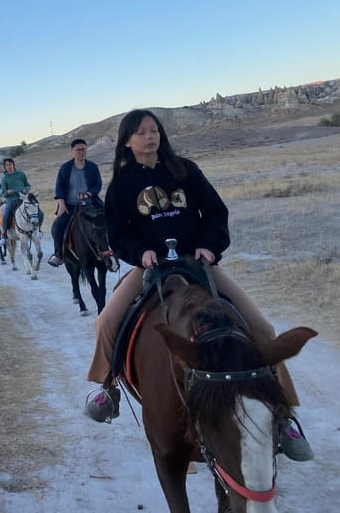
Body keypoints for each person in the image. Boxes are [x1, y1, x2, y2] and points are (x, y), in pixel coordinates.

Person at [83, 109, 313, 462]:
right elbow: (118, 234)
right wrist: (141, 252)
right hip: (152, 269)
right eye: (142, 132)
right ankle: (109, 387)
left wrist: (210, 245)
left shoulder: (185, 170)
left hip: (198, 263)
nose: (150, 136)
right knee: (106, 321)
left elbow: (216, 213)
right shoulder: (122, 185)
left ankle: (283, 416)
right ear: (127, 141)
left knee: (262, 328)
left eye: (154, 130)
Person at [47, 138, 103, 267]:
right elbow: (59, 187)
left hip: (90, 203)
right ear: (73, 152)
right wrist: (61, 204)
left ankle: (111, 251)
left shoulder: (92, 167)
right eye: (78, 150)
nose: (82, 152)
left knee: (107, 219)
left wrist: (89, 193)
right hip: (70, 205)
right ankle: (58, 255)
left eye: (84, 149)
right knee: (58, 225)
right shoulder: (66, 168)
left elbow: (97, 184)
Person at [0, 157, 31, 247]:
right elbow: (3, 193)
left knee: (37, 211)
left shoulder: (21, 174)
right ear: (5, 167)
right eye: (6, 165)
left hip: (22, 198)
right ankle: (4, 236)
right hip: (11, 200)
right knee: (6, 214)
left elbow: (28, 185)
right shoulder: (5, 179)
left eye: (10, 164)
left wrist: (25, 189)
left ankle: (38, 230)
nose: (9, 167)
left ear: (13, 165)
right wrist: (7, 192)